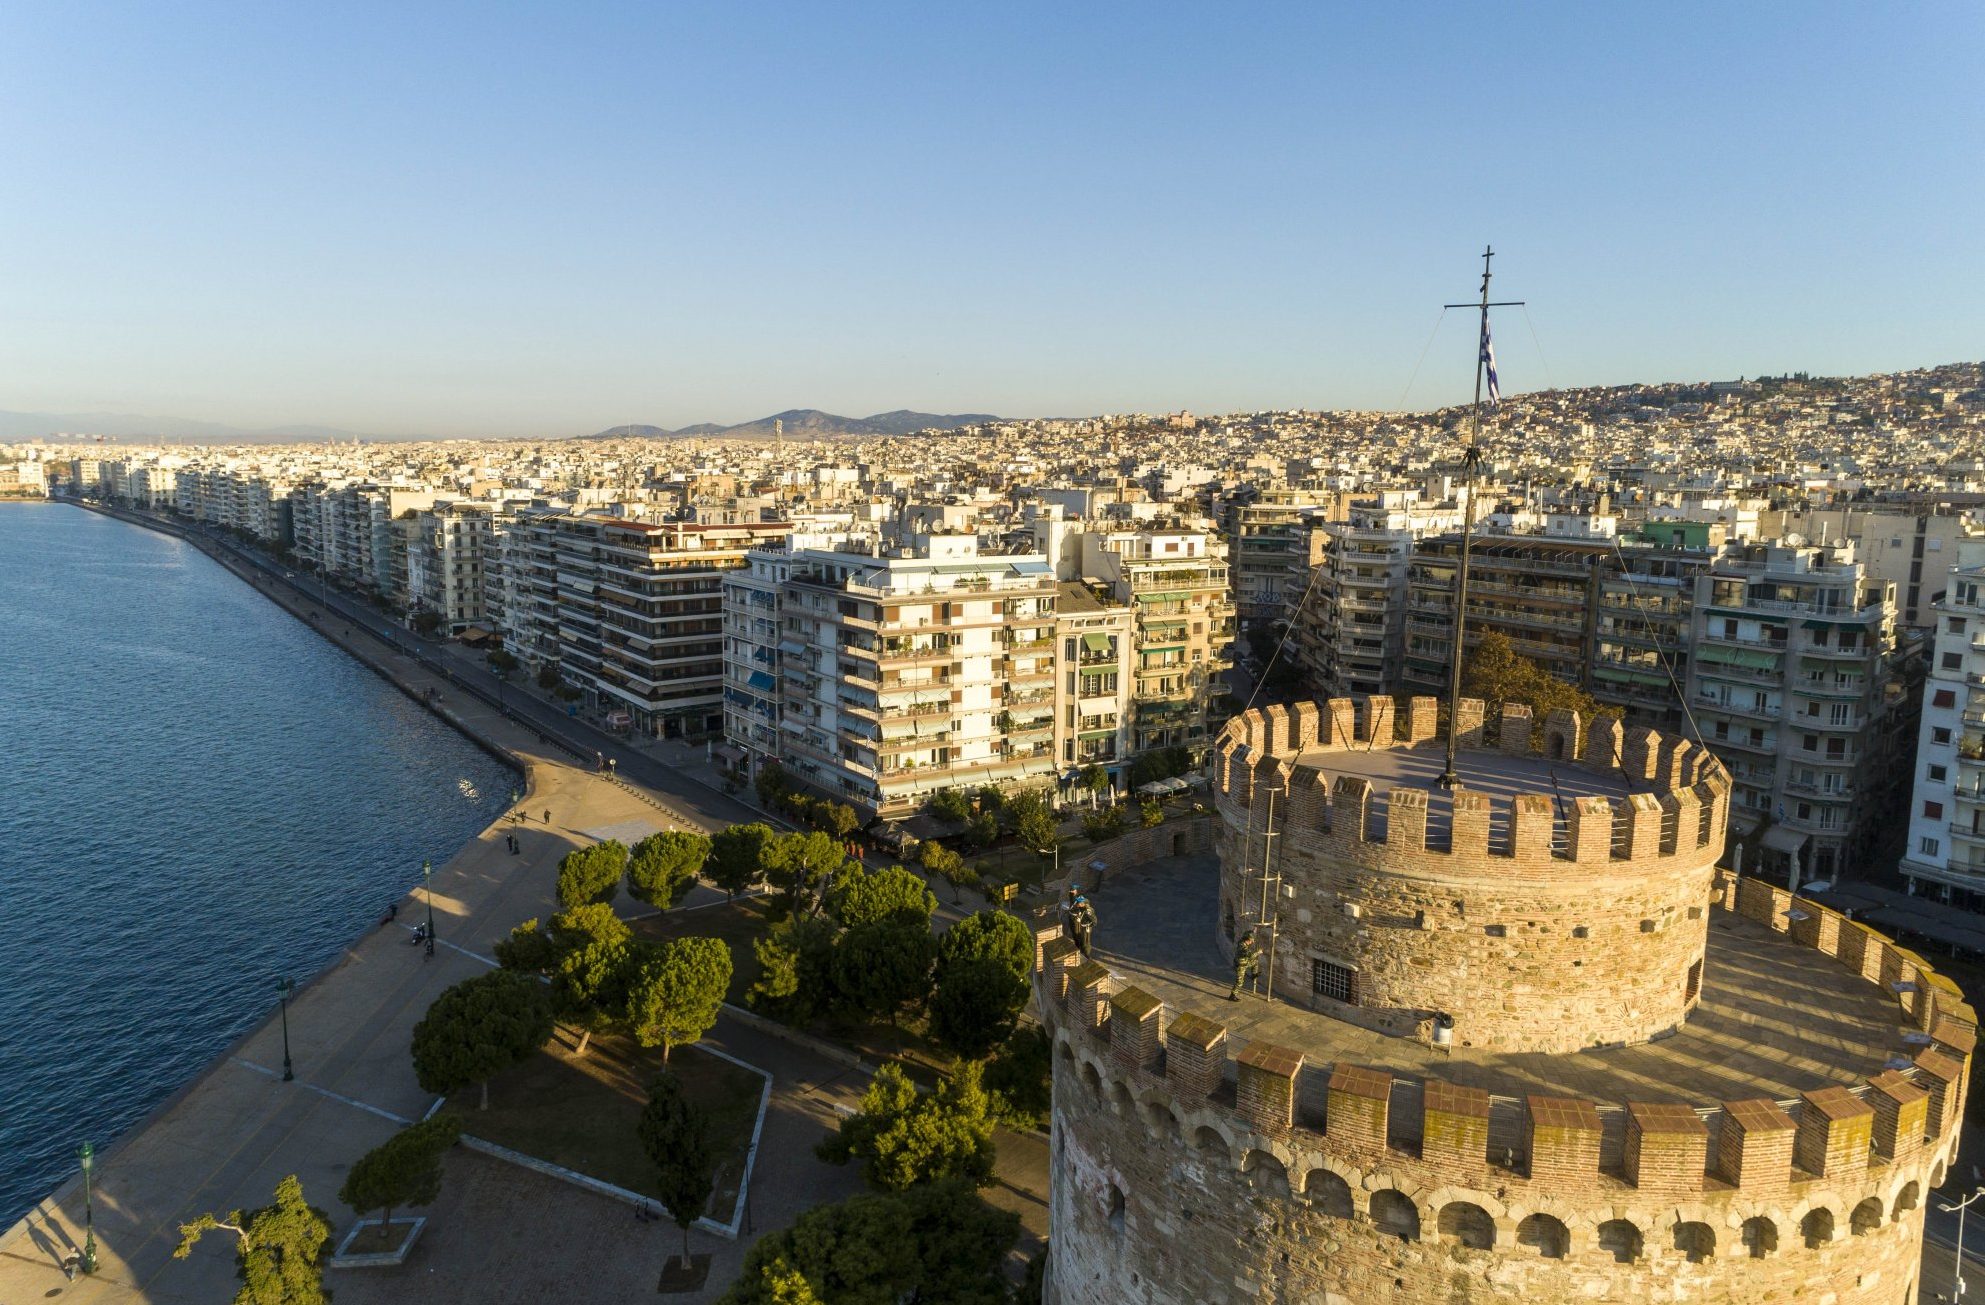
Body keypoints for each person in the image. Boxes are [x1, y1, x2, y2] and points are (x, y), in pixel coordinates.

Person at [1229, 928, 1261, 1001]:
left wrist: (1252, 931)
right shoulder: (1243, 948)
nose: (1252, 942)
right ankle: (1232, 995)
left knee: (1255, 962)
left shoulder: (1242, 941)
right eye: (1251, 941)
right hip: (1240, 966)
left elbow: (1246, 933)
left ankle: (1253, 975)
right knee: (1240, 982)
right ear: (1248, 940)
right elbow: (1251, 955)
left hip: (1245, 962)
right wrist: (1258, 952)